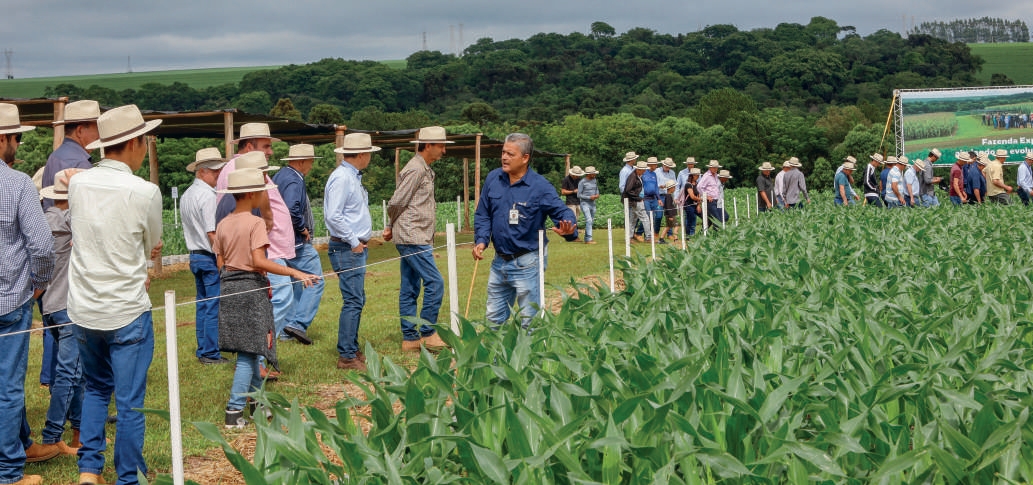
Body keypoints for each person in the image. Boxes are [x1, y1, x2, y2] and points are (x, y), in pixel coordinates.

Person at [67, 104, 163, 485]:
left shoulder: (78, 183)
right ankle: (127, 478)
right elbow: (152, 243)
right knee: (130, 402)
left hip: (85, 306)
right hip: (127, 307)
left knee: (95, 389)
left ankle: (89, 471)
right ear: (136, 143)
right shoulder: (144, 191)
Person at [214, 168, 320, 428]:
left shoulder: (224, 223)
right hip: (252, 290)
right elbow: (259, 260)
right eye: (262, 191)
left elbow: (220, 261)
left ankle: (259, 405)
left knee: (252, 348)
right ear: (252, 193)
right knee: (250, 352)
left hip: (230, 289)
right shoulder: (255, 223)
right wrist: (293, 271)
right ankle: (234, 411)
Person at [0, 103, 56, 485]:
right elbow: (42, 245)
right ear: (3, 138)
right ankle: (8, 471)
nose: (18, 144)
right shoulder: (17, 183)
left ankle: (22, 444)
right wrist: (39, 281)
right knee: (6, 387)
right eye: (17, 137)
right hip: (11, 298)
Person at [472, 133, 578, 329]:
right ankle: (496, 359)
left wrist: (568, 229)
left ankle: (531, 359)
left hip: (527, 263)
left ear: (525, 158)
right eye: (503, 152)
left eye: (510, 154)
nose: (504, 157)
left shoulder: (540, 186)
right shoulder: (493, 179)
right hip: (499, 262)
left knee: (530, 321)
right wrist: (481, 240)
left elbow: (563, 212)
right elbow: (483, 213)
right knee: (494, 320)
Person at [215, 123, 293, 379]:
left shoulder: (239, 185)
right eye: (266, 146)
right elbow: (239, 233)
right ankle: (257, 355)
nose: (270, 152)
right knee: (279, 298)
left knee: (276, 301)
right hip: (253, 265)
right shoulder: (241, 186)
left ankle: (256, 359)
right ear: (249, 148)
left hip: (246, 265)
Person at [384, 127, 450, 353]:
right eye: (441, 146)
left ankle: (410, 338)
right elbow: (396, 202)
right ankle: (428, 333)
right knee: (435, 282)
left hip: (415, 235)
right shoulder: (415, 169)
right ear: (428, 145)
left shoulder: (423, 168)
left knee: (410, 286)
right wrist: (391, 225)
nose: (443, 151)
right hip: (412, 236)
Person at [38, 170, 86, 459]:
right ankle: (52, 435)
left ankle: (78, 431)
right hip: (69, 306)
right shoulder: (73, 223)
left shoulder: (43, 222)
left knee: (74, 372)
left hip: (49, 306)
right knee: (69, 373)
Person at [325, 133, 381, 372]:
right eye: (368, 153)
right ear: (361, 154)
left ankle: (351, 348)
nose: (369, 158)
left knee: (357, 299)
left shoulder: (350, 177)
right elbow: (333, 215)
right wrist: (353, 241)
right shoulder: (343, 178)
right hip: (347, 247)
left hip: (352, 246)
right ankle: (346, 355)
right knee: (353, 300)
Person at [273, 144, 326, 345]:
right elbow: (291, 208)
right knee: (315, 280)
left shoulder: (280, 176)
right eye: (311, 162)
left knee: (295, 283)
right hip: (295, 242)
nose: (311, 166)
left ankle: (287, 329)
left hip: (281, 241)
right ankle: (298, 324)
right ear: (302, 161)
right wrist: (302, 228)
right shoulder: (294, 179)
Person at [180, 148, 229, 365]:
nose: (218, 175)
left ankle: (204, 347)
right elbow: (212, 232)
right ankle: (210, 352)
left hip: (195, 255)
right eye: (215, 171)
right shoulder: (208, 196)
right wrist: (221, 257)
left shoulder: (187, 194)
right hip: (209, 256)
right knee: (212, 306)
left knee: (202, 304)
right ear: (202, 172)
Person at [41, 100, 100, 210]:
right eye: (97, 130)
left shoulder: (53, 157)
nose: (99, 136)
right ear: (80, 131)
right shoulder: (81, 164)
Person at [622, 160, 650, 243]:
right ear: (639, 169)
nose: (645, 171)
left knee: (633, 220)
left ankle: (629, 237)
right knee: (645, 218)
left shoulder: (637, 176)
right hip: (635, 201)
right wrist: (638, 198)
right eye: (644, 170)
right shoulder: (633, 176)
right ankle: (648, 237)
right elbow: (628, 190)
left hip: (634, 201)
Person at [697, 160, 727, 225]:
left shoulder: (715, 175)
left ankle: (715, 230)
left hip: (717, 200)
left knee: (725, 216)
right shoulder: (707, 176)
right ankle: (716, 233)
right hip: (710, 201)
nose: (715, 169)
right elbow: (699, 187)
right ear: (710, 168)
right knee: (717, 219)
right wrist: (707, 196)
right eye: (713, 167)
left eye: (716, 167)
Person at [642, 157, 663, 240]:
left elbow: (656, 187)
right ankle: (647, 236)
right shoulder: (643, 173)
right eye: (655, 164)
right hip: (645, 198)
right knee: (648, 217)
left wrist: (659, 198)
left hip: (654, 198)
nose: (656, 166)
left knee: (657, 216)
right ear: (650, 165)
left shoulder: (654, 174)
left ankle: (653, 234)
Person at [577, 166, 600, 244]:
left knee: (591, 221)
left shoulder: (594, 180)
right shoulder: (582, 182)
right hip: (585, 203)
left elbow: (596, 190)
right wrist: (589, 197)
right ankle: (589, 239)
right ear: (588, 174)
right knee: (589, 220)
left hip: (593, 203)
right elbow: (579, 195)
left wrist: (597, 195)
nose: (594, 174)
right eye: (593, 173)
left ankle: (587, 238)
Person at [680, 168, 701, 237]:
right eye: (696, 175)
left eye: (698, 175)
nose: (697, 177)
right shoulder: (688, 184)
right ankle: (688, 235)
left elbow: (698, 194)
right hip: (689, 204)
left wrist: (698, 204)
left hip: (695, 205)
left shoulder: (697, 184)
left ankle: (693, 233)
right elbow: (692, 196)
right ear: (692, 176)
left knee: (694, 219)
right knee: (689, 220)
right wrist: (700, 199)